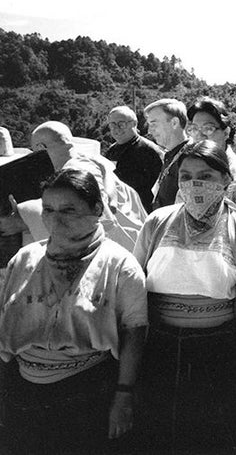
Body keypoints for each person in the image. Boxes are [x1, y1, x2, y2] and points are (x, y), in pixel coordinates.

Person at [0, 168, 147, 454]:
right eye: (48, 209)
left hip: (87, 393)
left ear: (96, 209)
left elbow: (135, 332)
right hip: (22, 391)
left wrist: (123, 395)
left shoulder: (119, 265)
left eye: (69, 209)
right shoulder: (25, 259)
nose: (56, 218)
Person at [132, 140, 236, 452]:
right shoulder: (157, 221)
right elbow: (133, 284)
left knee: (209, 434)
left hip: (218, 347)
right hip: (158, 346)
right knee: (159, 431)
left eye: (206, 176)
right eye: (185, 176)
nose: (193, 184)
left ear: (226, 180)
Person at [0, 121, 147, 253]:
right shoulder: (93, 162)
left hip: (114, 255)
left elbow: (99, 220)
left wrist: (26, 218)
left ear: (40, 148)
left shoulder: (77, 171)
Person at [187, 96, 236, 219]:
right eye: (194, 129)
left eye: (208, 129)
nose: (199, 135)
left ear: (226, 132)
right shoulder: (191, 169)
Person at [106, 105, 164, 212]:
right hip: (120, 211)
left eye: (121, 124)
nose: (116, 128)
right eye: (112, 124)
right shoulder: (111, 151)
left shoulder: (149, 151)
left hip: (144, 212)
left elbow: (161, 189)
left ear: (134, 124)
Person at [143, 98, 191, 210]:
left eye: (154, 124)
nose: (149, 131)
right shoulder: (170, 155)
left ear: (174, 123)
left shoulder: (191, 158)